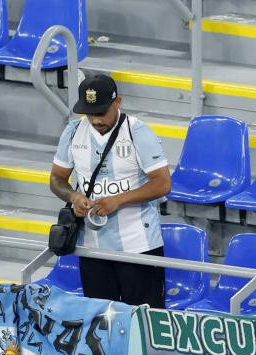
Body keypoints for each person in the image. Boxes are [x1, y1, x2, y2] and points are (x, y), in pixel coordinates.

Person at [49, 74, 172, 307]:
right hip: (92, 248)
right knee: (100, 323)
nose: (96, 120)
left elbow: (162, 183)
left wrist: (118, 200)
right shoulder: (74, 132)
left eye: (101, 113)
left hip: (139, 247)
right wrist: (73, 196)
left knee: (143, 323)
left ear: (118, 102)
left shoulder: (139, 132)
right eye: (90, 113)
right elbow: (57, 179)